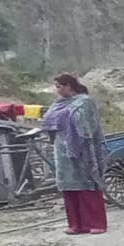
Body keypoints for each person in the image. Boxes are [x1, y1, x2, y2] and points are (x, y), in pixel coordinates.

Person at [42, 74, 109, 235]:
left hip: (83, 148)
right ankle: (76, 224)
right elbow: (48, 120)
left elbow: (88, 125)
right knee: (68, 186)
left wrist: (73, 122)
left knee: (87, 184)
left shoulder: (84, 102)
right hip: (62, 150)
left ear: (69, 86)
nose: (57, 90)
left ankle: (96, 223)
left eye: (59, 86)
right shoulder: (57, 104)